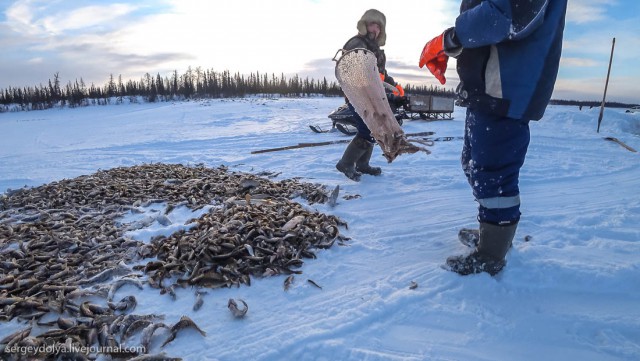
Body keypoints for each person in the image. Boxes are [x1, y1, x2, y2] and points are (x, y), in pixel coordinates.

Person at [419, 0, 568, 276]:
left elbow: (504, 16)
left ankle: (492, 254)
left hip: (507, 89)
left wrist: (451, 37)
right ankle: (492, 233)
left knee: (493, 175)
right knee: (475, 165)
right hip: (489, 89)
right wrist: (456, 41)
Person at [335, 9, 405, 181]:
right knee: (366, 129)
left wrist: (394, 86)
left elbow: (381, 73)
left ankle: (363, 164)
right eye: (372, 24)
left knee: (375, 129)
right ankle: (346, 163)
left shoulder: (378, 50)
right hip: (358, 96)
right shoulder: (356, 43)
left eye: (379, 27)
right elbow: (353, 69)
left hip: (373, 95)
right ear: (365, 25)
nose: (375, 29)